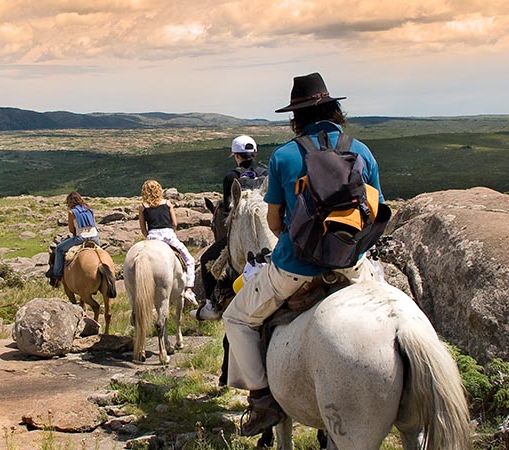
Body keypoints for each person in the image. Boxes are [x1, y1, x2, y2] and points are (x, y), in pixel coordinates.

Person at [224, 72, 383, 436]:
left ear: (296, 116)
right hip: (351, 264)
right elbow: (377, 209)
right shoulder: (361, 150)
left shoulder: (284, 157)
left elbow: (275, 221)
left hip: (295, 268)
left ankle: (263, 401)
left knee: (237, 318)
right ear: (333, 109)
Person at [196, 135, 267, 318]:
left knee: (206, 259)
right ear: (254, 153)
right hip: (267, 232)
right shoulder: (267, 173)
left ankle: (212, 304)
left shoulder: (231, 177)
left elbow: (229, 214)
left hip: (242, 234)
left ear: (236, 155)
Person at [138, 179, 198, 307]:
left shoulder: (142, 207)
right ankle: (189, 289)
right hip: (168, 235)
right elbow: (175, 223)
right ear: (159, 190)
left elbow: (143, 229)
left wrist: (149, 236)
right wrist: (171, 232)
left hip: (153, 237)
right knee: (189, 259)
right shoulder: (167, 203)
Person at [47, 191, 103, 286]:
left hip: (81, 238)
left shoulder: (72, 212)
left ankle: (56, 274)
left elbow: (71, 229)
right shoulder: (89, 209)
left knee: (59, 249)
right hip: (95, 238)